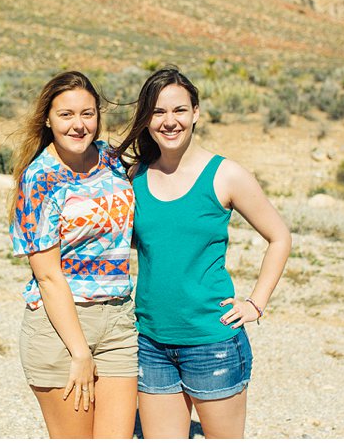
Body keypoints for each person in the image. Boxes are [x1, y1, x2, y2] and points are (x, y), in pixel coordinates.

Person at [115, 67, 292, 439]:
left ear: (196, 112)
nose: (169, 121)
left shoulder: (225, 175)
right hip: (151, 341)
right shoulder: (135, 178)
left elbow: (279, 237)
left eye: (179, 110)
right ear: (146, 119)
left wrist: (256, 303)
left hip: (212, 343)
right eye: (158, 112)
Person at [9, 71, 138, 438]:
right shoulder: (40, 179)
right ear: (48, 120)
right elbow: (48, 277)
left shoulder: (112, 161)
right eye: (66, 115)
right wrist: (80, 352)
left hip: (118, 323)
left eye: (88, 113)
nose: (79, 125)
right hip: (61, 330)